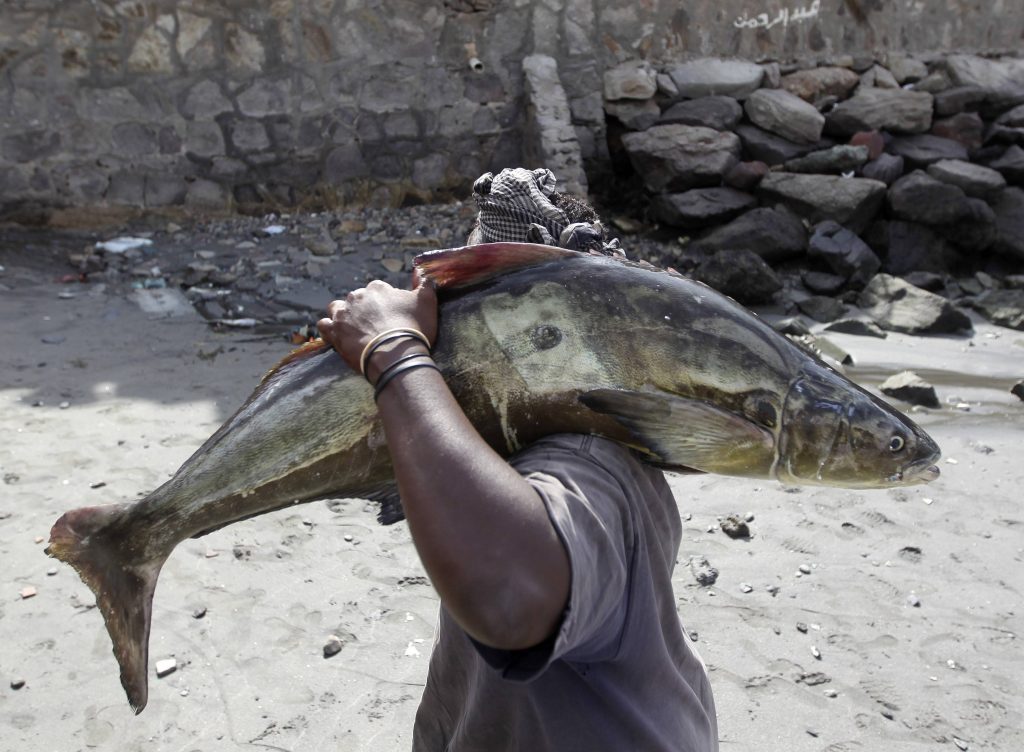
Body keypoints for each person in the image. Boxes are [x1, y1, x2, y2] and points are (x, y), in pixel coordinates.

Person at [317, 168, 718, 751]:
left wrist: (396, 355)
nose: (442, 333)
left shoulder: (585, 459)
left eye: (460, 308)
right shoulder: (538, 435)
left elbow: (509, 600)